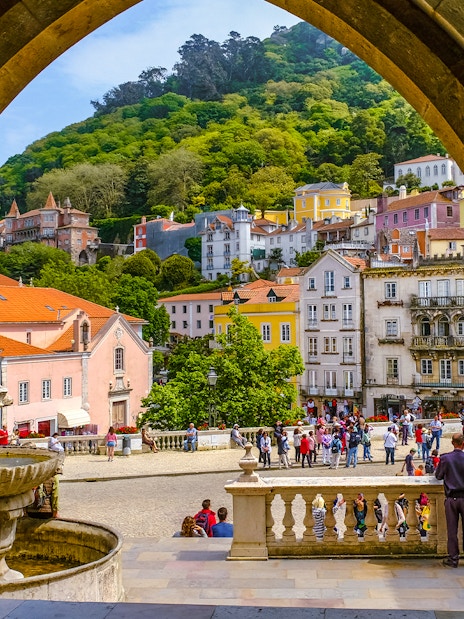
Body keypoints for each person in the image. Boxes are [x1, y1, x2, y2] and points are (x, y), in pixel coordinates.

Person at [435, 433, 464, 567]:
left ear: (453, 443)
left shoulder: (446, 458)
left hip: (452, 499)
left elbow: (439, 476)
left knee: (452, 530)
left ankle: (453, 559)